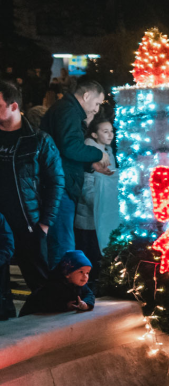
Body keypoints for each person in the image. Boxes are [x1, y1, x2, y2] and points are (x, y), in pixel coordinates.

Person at [0, 80, 64, 319]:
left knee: (39, 280)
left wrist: (45, 223)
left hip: (28, 221)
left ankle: (51, 333)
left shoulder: (39, 140)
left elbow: (57, 182)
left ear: (13, 106)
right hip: (0, 223)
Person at [38, 77, 106, 268]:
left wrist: (89, 164)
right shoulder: (68, 111)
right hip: (61, 185)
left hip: (60, 181)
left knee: (61, 240)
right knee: (63, 242)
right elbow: (70, 147)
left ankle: (59, 291)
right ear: (86, 96)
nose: (97, 109)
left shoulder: (67, 110)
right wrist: (97, 154)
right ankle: (62, 293)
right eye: (97, 103)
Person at [74, 117, 120, 284]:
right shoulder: (91, 152)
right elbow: (87, 187)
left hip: (104, 212)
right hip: (89, 216)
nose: (110, 135)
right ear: (94, 134)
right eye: (105, 131)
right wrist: (103, 203)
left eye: (111, 131)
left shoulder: (107, 151)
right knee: (91, 253)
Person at [19, 250, 95, 316]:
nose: (85, 276)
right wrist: (64, 306)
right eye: (81, 272)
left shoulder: (79, 284)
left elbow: (89, 294)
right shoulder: (54, 285)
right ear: (67, 273)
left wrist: (86, 304)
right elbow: (44, 302)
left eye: (87, 273)